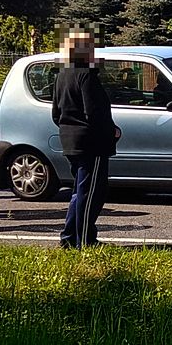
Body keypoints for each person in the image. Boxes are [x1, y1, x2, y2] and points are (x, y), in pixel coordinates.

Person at [51, 29, 116, 249]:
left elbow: (56, 114)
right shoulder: (86, 76)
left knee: (79, 193)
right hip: (92, 143)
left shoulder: (62, 75)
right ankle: (84, 241)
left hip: (69, 141)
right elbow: (94, 112)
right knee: (91, 195)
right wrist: (112, 131)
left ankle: (69, 237)